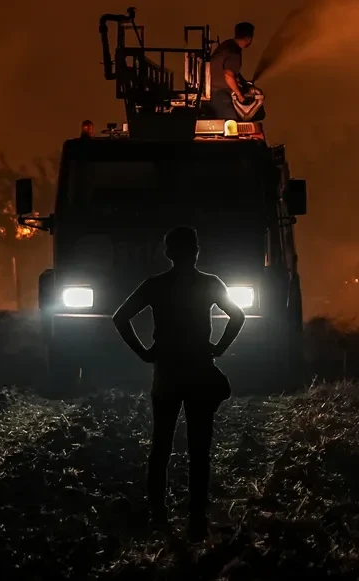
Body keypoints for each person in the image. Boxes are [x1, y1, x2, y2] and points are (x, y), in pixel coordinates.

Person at [112, 226, 246, 541]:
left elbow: (120, 318)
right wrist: (220, 347)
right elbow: (237, 316)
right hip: (200, 369)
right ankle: (196, 519)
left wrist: (144, 353)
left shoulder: (156, 285)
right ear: (196, 252)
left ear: (168, 252)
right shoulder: (209, 284)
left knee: (161, 446)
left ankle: (158, 514)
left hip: (167, 372)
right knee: (200, 450)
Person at [209, 22, 255, 120]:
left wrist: (242, 82)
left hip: (212, 90)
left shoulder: (227, 44)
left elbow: (231, 72)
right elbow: (228, 75)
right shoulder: (234, 52)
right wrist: (240, 95)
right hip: (219, 93)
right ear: (249, 38)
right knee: (232, 122)